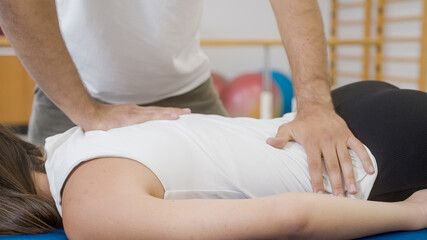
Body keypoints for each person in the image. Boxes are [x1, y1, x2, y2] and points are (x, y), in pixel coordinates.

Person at [0, 0, 374, 197]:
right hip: (70, 96)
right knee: (46, 218)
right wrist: (87, 113)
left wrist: (314, 103)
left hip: (186, 90)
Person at [0, 81, 426, 239]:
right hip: (344, 109)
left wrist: (409, 215)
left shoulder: (90, 209)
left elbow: (291, 218)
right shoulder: (70, 139)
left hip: (374, 156)